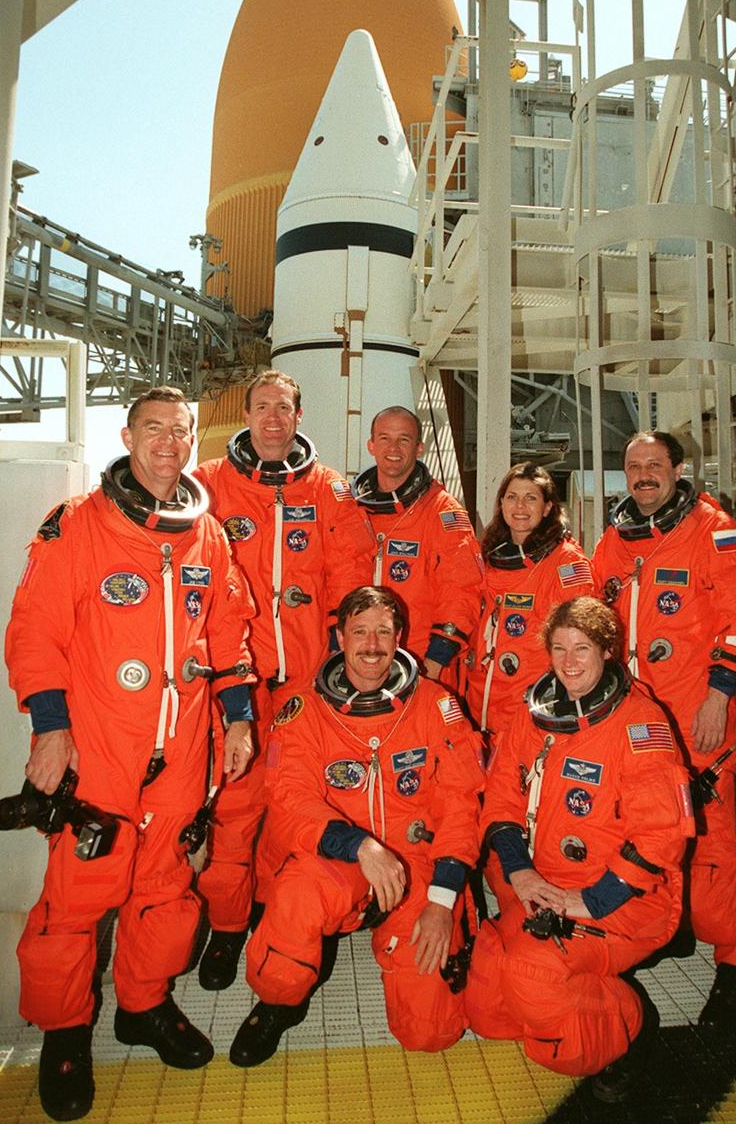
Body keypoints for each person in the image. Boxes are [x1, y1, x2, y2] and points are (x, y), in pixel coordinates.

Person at [5, 387, 256, 1123]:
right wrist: (51, 729)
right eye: (154, 428)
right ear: (127, 436)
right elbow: (35, 631)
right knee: (77, 897)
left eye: (180, 430)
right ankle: (64, 1032)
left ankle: (143, 1006)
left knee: (167, 885)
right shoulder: (79, 524)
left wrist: (240, 719)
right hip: (101, 748)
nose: (169, 442)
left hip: (182, 750)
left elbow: (228, 632)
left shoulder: (208, 536)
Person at [228, 585, 485, 1067]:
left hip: (415, 866)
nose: (372, 645)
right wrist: (360, 846)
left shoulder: (436, 705)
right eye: (360, 632)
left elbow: (461, 806)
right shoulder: (304, 708)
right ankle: (280, 1001)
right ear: (340, 638)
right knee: (294, 909)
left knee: (430, 1030)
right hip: (340, 862)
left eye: (383, 632)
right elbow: (290, 798)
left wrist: (443, 900)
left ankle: (442, 938)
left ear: (400, 638)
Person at [466, 597, 693, 1101]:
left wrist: (592, 901)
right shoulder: (533, 714)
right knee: (488, 1005)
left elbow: (662, 836)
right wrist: (520, 872)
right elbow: (500, 797)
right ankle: (568, 997)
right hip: (544, 883)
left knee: (535, 981)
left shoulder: (640, 725)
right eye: (559, 648)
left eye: (583, 648)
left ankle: (631, 1024)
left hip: (625, 898)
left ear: (607, 651)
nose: (569, 662)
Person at [194, 370, 374, 991]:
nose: (273, 418)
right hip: (237, 679)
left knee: (296, 802)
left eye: (284, 408)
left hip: (304, 680)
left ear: (300, 416)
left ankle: (280, 922)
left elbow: (351, 575)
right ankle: (226, 926)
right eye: (262, 407)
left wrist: (338, 659)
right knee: (234, 806)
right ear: (246, 415)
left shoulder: (330, 490)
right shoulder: (209, 484)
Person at [592, 430, 736, 1029]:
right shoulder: (616, 539)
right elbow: (595, 612)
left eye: (655, 464)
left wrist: (720, 696)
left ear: (676, 470)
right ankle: (672, 924)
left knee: (711, 838)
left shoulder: (713, 530)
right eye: (634, 466)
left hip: (699, 713)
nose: (644, 475)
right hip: (638, 719)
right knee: (646, 827)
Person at [353, 406, 483, 684]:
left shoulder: (442, 511)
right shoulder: (351, 510)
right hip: (361, 659)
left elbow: (462, 589)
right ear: (371, 445)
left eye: (404, 439)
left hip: (421, 661)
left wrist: (435, 660)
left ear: (419, 448)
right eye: (385, 438)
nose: (394, 448)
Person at [466, 462, 595, 739]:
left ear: (547, 507)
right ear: (501, 503)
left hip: (531, 706)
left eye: (531, 498)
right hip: (481, 703)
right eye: (512, 497)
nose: (520, 506)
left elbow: (580, 638)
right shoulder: (487, 556)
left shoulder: (566, 563)